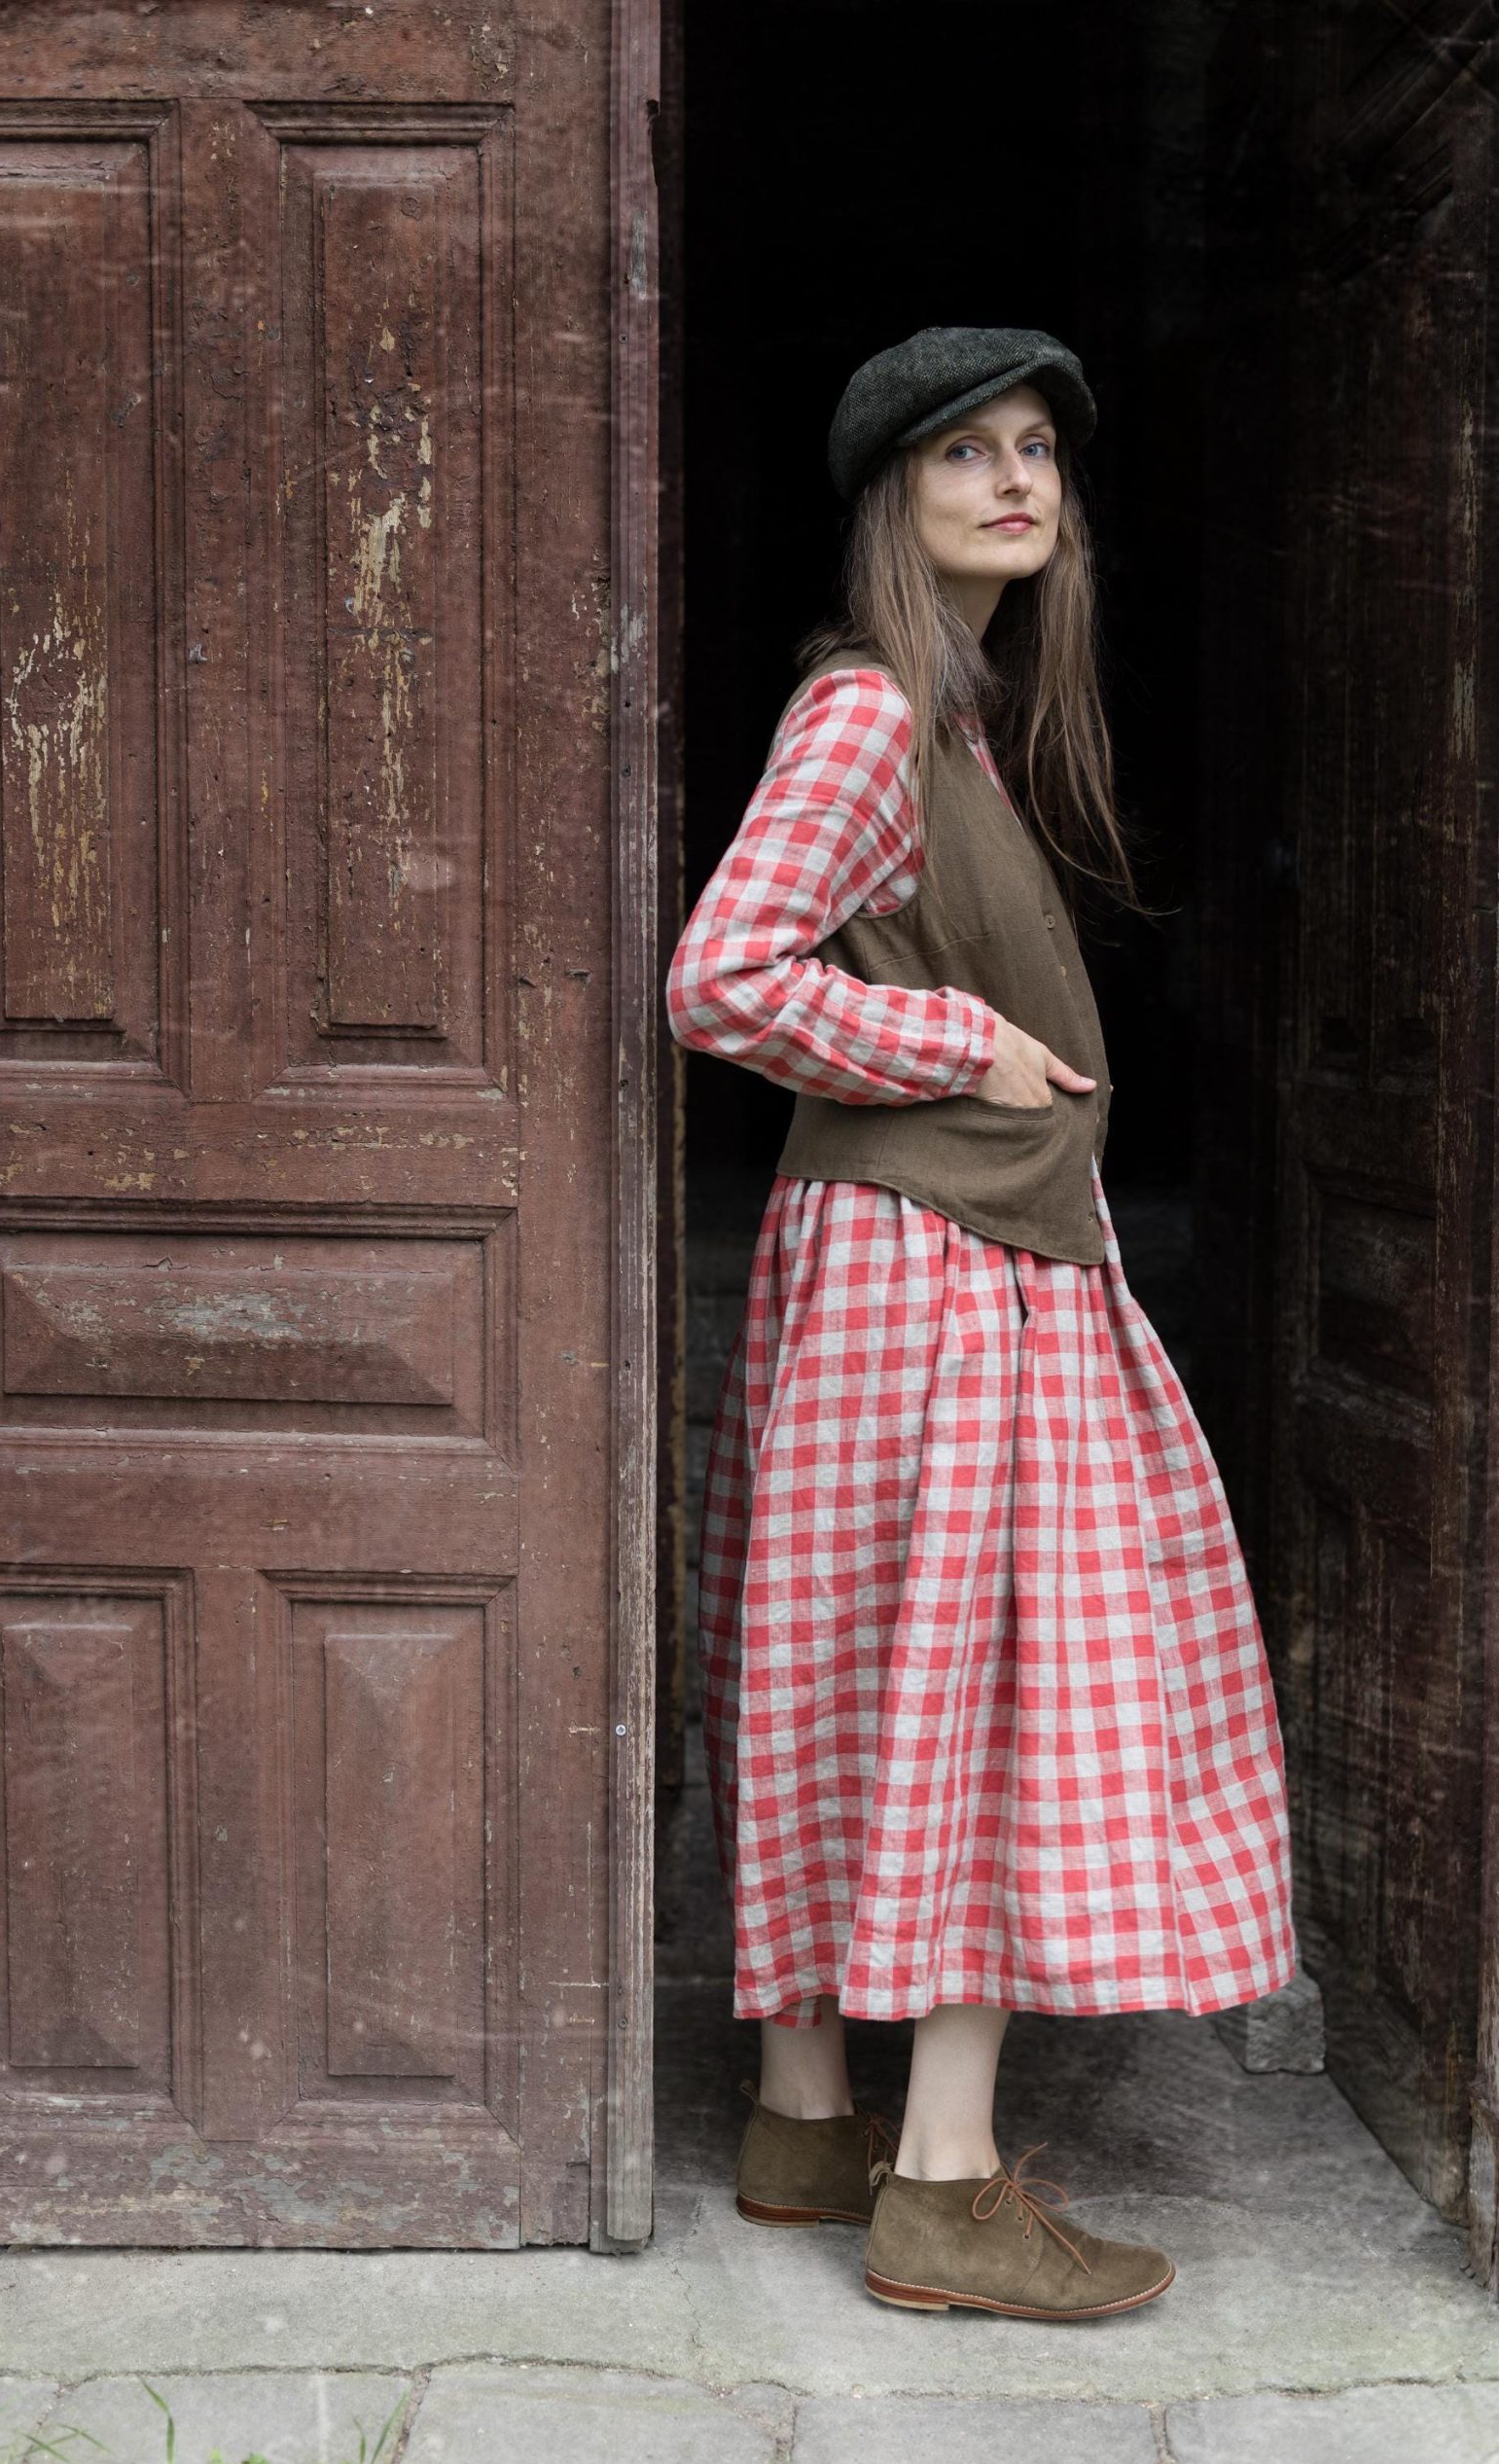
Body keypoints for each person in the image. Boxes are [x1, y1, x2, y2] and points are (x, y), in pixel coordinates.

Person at [664, 326, 1297, 2322]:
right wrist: (956, 1040)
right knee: (979, 1687)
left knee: (849, 1656)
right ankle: (936, 2182)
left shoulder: (941, 720)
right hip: (935, 1268)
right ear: (891, 497)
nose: (1014, 479)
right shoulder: (864, 718)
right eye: (964, 453)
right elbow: (717, 975)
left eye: (1036, 451)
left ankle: (800, 2114)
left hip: (903, 1259)